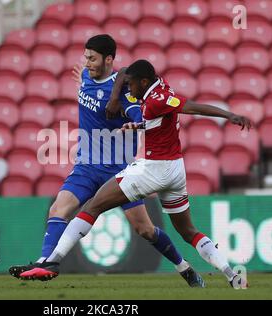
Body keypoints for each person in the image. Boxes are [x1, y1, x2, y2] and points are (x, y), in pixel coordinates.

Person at [20, 59, 252, 289]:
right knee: (188, 231)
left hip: (154, 169)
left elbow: (191, 106)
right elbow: (131, 84)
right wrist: (133, 122)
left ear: (143, 82)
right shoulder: (157, 85)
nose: (128, 90)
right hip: (176, 171)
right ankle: (232, 276)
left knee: (93, 207)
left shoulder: (157, 101)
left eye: (131, 85)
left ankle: (53, 261)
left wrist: (228, 115)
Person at [10, 35, 205, 287]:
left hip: (118, 171)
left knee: (144, 230)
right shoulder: (85, 78)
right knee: (58, 209)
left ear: (109, 59)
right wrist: (86, 75)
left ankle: (184, 268)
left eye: (92, 58)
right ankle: (44, 263)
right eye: (86, 57)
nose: (87, 62)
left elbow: (137, 112)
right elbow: (93, 79)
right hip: (86, 166)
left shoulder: (125, 92)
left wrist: (134, 122)